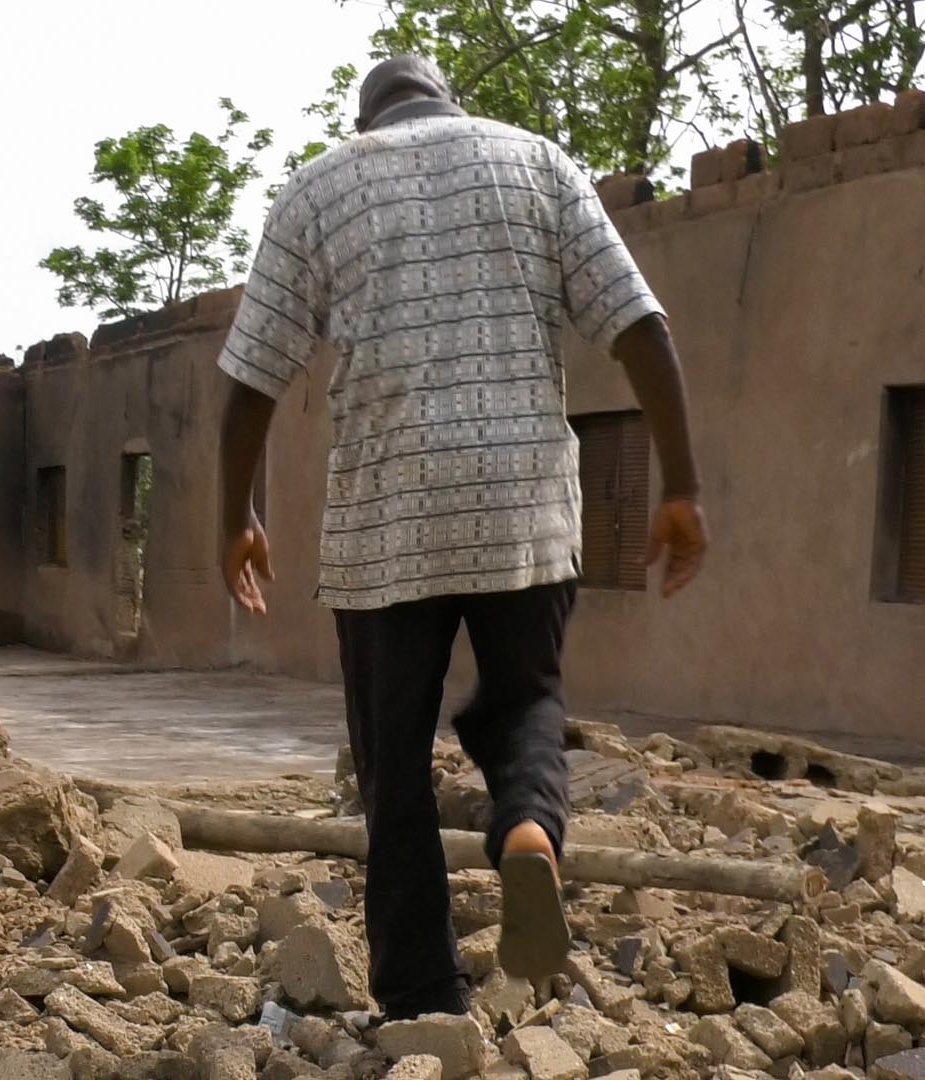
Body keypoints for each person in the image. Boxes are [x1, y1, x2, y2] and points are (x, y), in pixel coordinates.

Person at [212, 56, 708, 1021]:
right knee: (525, 699)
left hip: (384, 527)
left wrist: (237, 514)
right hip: (522, 509)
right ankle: (527, 830)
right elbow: (640, 326)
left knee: (390, 764)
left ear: (369, 117)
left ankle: (421, 999)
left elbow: (249, 382)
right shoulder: (539, 166)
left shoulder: (319, 187)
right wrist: (681, 485)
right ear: (448, 101)